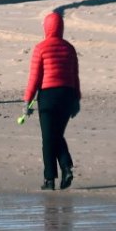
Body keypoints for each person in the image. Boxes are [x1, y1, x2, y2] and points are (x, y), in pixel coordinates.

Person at [23, 11, 80, 191]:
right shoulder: (69, 48)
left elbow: (34, 77)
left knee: (48, 139)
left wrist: (27, 101)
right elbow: (74, 76)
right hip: (67, 95)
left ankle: (50, 179)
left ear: (46, 28)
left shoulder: (41, 48)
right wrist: (76, 99)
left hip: (48, 96)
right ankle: (66, 167)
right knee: (55, 135)